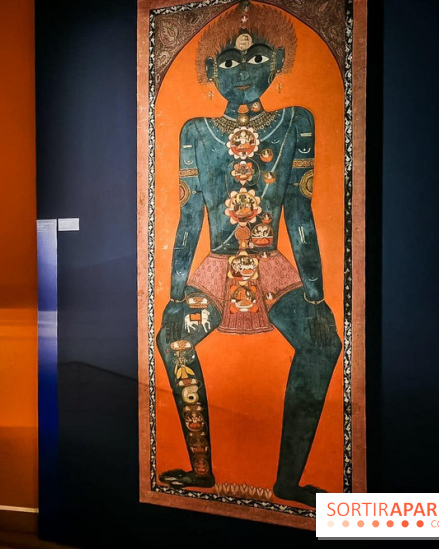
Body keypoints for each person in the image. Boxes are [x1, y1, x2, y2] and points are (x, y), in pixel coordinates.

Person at [156, 0, 341, 507]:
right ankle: (201, 470)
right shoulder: (195, 132)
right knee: (171, 338)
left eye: (257, 60)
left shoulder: (295, 122)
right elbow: (190, 217)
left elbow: (300, 214)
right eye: (231, 65)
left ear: (277, 62)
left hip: (273, 264)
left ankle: (287, 481)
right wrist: (175, 294)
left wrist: (317, 296)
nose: (243, 73)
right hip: (217, 267)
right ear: (212, 72)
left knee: (324, 345)